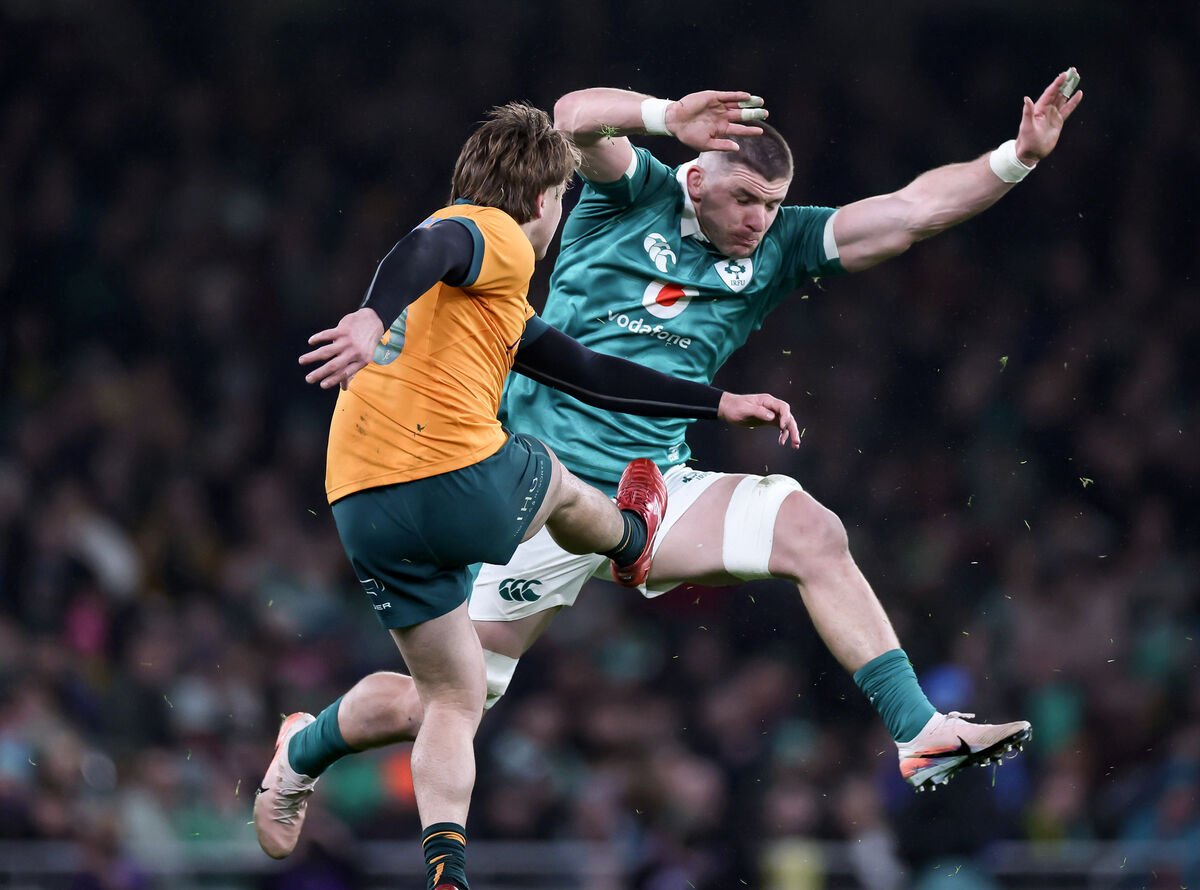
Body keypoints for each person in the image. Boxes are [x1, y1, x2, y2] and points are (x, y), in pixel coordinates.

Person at [293, 70, 1082, 846]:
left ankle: (921, 733)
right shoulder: (634, 192)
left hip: (650, 494)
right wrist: (666, 114)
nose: (760, 222)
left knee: (813, 532)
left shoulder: (782, 246)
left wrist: (1016, 157)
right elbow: (569, 117)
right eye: (745, 200)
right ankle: (305, 747)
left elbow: (912, 213)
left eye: (773, 206)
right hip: (537, 491)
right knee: (440, 704)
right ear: (698, 177)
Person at [252, 102, 801, 890]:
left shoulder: (497, 305)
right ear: (546, 198)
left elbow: (589, 371)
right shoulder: (498, 235)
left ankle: (406, 840)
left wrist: (717, 404)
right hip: (445, 478)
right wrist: (372, 312)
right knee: (550, 469)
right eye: (565, 201)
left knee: (451, 692)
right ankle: (630, 537)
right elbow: (435, 241)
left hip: (362, 503)